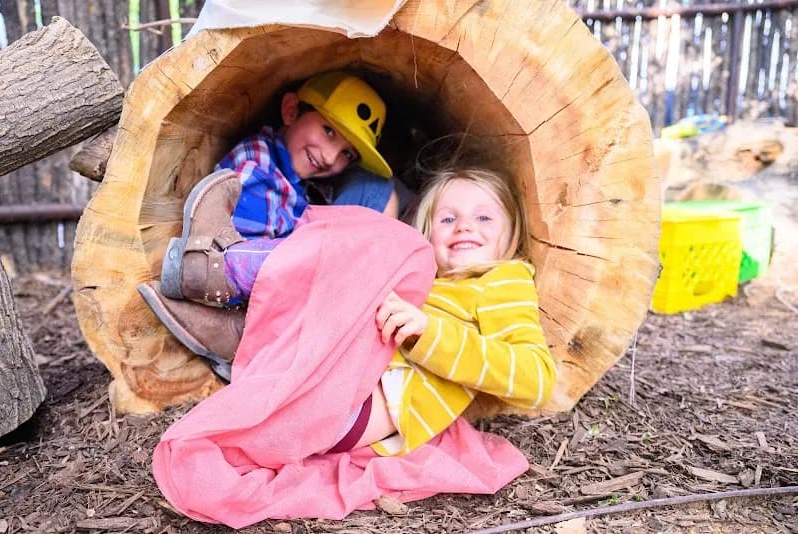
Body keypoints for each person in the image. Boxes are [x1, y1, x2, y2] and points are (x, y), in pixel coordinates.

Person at [138, 71, 399, 379]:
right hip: (246, 294)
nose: (331, 158)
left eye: (346, 154)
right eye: (328, 130)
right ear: (291, 110)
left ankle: (239, 333)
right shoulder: (257, 164)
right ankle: (212, 271)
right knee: (323, 245)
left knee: (373, 196)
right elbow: (251, 244)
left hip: (279, 312)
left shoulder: (297, 186)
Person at [340, 167, 558, 455]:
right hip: (345, 372)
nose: (464, 226)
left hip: (363, 405)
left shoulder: (502, 278)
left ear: (510, 234)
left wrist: (431, 334)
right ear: (427, 233)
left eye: (483, 217)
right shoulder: (423, 278)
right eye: (448, 219)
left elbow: (537, 379)